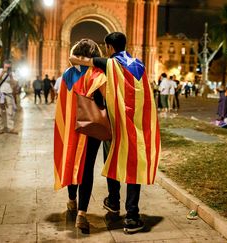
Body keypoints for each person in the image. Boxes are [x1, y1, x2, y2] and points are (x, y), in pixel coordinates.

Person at [70, 32, 161, 234]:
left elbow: (74, 58)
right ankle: (132, 216)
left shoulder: (108, 63)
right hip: (137, 124)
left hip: (116, 124)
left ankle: (113, 201)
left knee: (112, 159)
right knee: (134, 168)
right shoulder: (140, 65)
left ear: (110, 48)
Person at [54, 39, 107, 233]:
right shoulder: (97, 75)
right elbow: (106, 100)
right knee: (87, 167)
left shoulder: (68, 74)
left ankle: (71, 201)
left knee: (71, 161)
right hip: (90, 127)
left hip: (72, 126)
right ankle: (82, 215)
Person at [0, 59, 18, 134]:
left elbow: (14, 84)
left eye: (9, 66)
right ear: (4, 65)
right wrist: (3, 72)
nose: (7, 67)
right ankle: (0, 128)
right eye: (6, 65)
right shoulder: (0, 70)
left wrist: (11, 76)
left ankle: (11, 128)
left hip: (8, 95)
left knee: (10, 112)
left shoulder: (12, 73)